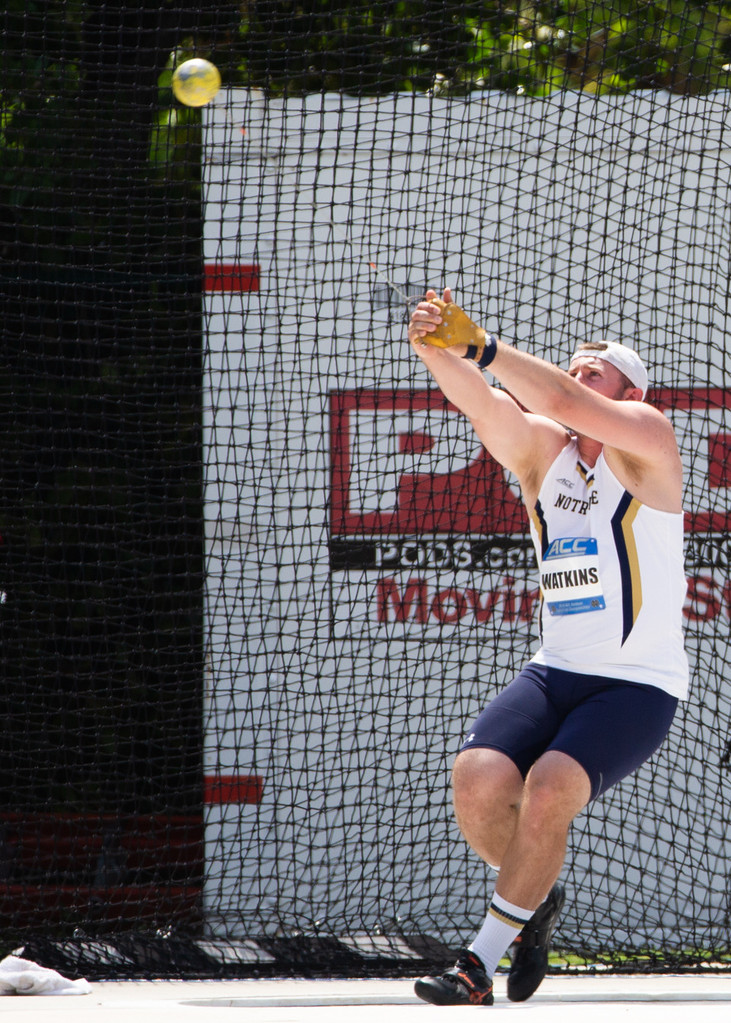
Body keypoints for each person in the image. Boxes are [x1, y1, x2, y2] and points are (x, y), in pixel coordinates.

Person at [407, 288, 688, 1007]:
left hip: (636, 683)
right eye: (576, 367)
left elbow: (560, 396)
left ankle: (476, 966)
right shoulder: (544, 456)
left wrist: (488, 349)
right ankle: (532, 897)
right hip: (555, 668)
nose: (579, 374)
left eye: (595, 371)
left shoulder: (648, 441)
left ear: (628, 393)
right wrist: (434, 347)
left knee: (550, 790)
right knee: (475, 781)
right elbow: (486, 405)